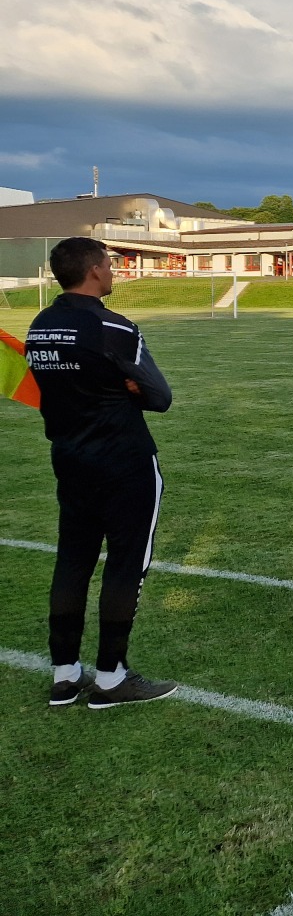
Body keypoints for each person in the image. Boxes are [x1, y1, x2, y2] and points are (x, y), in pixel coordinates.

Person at [25, 237, 177, 708]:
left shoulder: (40, 325)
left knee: (73, 560)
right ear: (93, 270)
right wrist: (130, 388)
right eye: (109, 265)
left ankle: (65, 675)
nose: (113, 272)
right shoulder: (115, 327)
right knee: (126, 564)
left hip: (70, 457)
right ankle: (111, 678)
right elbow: (160, 397)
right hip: (124, 461)